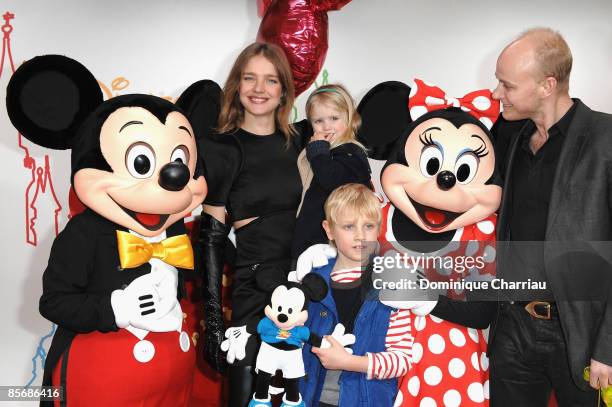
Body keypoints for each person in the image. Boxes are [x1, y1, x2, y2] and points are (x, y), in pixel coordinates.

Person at [433, 27, 612, 406]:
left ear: (547, 85)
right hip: (512, 327)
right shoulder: (509, 138)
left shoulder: (605, 138)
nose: (497, 93)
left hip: (579, 334)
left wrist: (608, 348)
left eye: (507, 85)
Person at [198, 42, 303, 407]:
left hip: (304, 289)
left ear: (284, 91)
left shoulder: (303, 141)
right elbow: (210, 240)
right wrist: (212, 322)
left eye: (270, 80)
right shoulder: (220, 148)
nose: (259, 89)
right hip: (253, 291)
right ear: (236, 85)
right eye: (250, 78)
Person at [300, 184, 413, 406]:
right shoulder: (312, 282)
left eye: (369, 226)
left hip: (367, 399)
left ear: (379, 228)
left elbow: (402, 360)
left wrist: (349, 362)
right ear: (329, 229)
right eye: (349, 226)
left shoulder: (392, 283)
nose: (361, 235)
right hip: (310, 397)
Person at [291, 84, 371, 262]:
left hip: (332, 247)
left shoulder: (351, 153)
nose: (327, 127)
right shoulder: (326, 153)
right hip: (312, 242)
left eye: (334, 118)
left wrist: (318, 151)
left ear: (349, 118)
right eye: (318, 121)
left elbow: (332, 180)